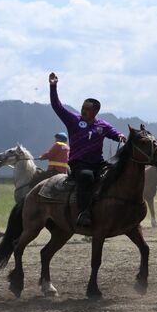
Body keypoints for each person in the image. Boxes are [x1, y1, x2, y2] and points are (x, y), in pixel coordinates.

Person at [49, 72, 123, 227]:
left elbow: (115, 134)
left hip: (98, 163)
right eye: (82, 108)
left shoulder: (102, 125)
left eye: (87, 109)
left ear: (95, 112)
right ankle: (84, 213)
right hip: (79, 165)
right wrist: (53, 86)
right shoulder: (73, 120)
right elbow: (57, 106)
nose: (83, 111)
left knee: (118, 172)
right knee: (87, 177)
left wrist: (121, 136)